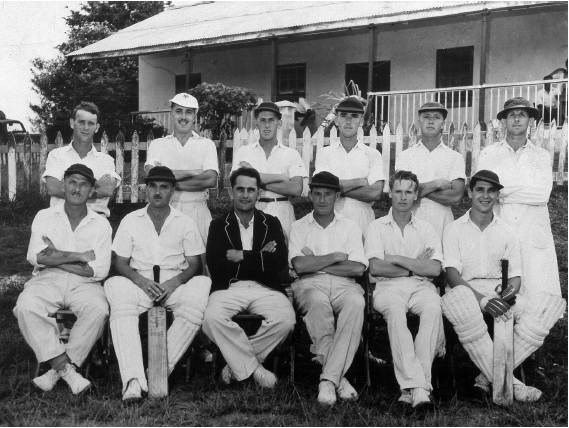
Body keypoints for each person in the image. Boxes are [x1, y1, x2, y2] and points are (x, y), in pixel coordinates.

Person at [441, 170, 566, 402]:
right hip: (466, 293)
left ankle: (485, 378)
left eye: (491, 191)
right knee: (463, 304)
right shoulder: (454, 229)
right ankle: (512, 383)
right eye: (480, 189)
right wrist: (482, 300)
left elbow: (515, 280)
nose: (485, 196)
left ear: (498, 195)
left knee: (534, 313)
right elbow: (451, 275)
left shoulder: (507, 231)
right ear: (470, 192)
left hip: (500, 293)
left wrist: (505, 295)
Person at [104, 166, 210, 402]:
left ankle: (158, 371)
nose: (158, 192)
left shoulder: (184, 221)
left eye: (164, 187)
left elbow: (195, 265)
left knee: (201, 287)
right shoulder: (131, 220)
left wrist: (174, 283)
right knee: (116, 290)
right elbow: (119, 262)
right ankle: (132, 380)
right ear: (145, 190)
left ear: (172, 190)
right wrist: (140, 281)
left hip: (173, 285)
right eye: (152, 186)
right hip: (141, 284)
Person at [14, 164, 111, 395]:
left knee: (98, 309)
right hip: (48, 278)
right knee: (26, 307)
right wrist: (79, 257)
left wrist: (55, 256)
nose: (77, 189)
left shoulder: (101, 224)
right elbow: (35, 257)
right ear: (63, 185)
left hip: (84, 284)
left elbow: (99, 270)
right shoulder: (44, 216)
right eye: (72, 182)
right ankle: (68, 371)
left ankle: (54, 371)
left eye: (84, 184)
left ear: (91, 191)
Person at [202, 167, 295, 388]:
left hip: (266, 287)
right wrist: (260, 258)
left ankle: (235, 366)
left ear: (258, 193)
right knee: (210, 320)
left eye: (251, 190)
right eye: (240, 189)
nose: (245, 195)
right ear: (231, 192)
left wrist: (241, 256)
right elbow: (217, 267)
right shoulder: (218, 225)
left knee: (286, 320)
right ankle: (256, 369)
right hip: (229, 288)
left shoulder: (271, 222)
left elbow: (279, 262)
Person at [364, 170, 444, 409]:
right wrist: (414, 266)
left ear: (416, 195)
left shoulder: (427, 228)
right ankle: (419, 387)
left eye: (408, 192)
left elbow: (435, 269)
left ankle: (411, 390)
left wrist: (396, 258)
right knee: (396, 313)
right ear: (390, 194)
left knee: (433, 308)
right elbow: (376, 267)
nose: (402, 197)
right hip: (388, 287)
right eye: (398, 191)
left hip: (422, 287)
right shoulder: (376, 227)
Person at [289, 171, 367, 406]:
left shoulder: (350, 227)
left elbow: (357, 269)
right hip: (309, 285)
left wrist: (318, 264)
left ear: (337, 197)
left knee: (357, 303)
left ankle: (328, 380)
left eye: (328, 194)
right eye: (318, 194)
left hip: (345, 286)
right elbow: (300, 265)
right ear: (310, 196)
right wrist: (335, 257)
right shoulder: (299, 226)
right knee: (318, 302)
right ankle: (338, 378)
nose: (322, 200)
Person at [476, 97, 561, 298]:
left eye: (522, 115)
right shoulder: (489, 153)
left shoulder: (540, 155)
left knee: (536, 284)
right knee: (500, 283)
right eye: (511, 115)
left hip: (532, 227)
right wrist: (520, 190)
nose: (516, 119)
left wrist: (502, 191)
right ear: (503, 121)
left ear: (530, 121)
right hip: (500, 223)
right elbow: (484, 191)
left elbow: (542, 194)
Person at [144, 93, 219, 272]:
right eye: (179, 111)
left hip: (197, 208)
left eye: (188, 112)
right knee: (166, 260)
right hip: (167, 208)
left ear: (195, 116)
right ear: (172, 113)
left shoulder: (206, 144)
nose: (183, 117)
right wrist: (192, 172)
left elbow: (210, 178)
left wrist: (169, 182)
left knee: (201, 264)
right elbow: (152, 175)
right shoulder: (158, 144)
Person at [232, 101, 307, 238]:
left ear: (279, 123)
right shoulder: (244, 152)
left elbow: (296, 189)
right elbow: (237, 184)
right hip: (252, 211)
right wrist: (280, 178)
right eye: (262, 120)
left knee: (282, 256)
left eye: (271, 120)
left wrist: (254, 178)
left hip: (282, 211)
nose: (267, 126)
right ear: (256, 123)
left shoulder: (291, 154)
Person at [395, 102, 466, 238]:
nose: (431, 121)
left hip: (442, 221)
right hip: (411, 218)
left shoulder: (454, 157)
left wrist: (415, 190)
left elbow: (456, 197)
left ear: (443, 123)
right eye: (426, 117)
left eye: (436, 117)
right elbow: (401, 194)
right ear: (419, 121)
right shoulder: (405, 156)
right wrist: (436, 184)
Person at [314, 97, 384, 234]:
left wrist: (334, 190)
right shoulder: (325, 153)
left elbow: (375, 192)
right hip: (331, 218)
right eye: (343, 115)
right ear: (336, 120)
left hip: (362, 219)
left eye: (354, 116)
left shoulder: (372, 154)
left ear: (361, 122)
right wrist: (359, 181)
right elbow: (321, 189)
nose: (348, 121)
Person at [42, 101, 121, 217]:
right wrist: (95, 186)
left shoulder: (106, 160)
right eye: (81, 122)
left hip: (96, 220)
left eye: (90, 123)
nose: (85, 128)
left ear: (97, 127)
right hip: (60, 219)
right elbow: (53, 188)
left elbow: (108, 190)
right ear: (72, 123)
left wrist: (68, 187)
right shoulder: (56, 155)